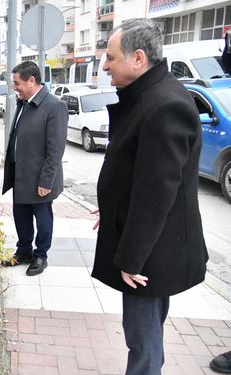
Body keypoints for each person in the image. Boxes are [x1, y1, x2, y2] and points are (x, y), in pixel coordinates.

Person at [91, 19, 208, 375]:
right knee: (144, 336)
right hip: (150, 245)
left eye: (110, 57)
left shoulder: (162, 105)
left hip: (151, 253)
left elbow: (157, 193)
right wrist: (111, 210)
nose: (104, 65)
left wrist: (132, 258)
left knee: (142, 343)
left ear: (138, 58)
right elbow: (137, 173)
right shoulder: (151, 95)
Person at [1, 60, 68, 276]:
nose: (15, 87)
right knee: (21, 217)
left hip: (39, 178)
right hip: (21, 175)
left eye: (17, 83)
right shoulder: (24, 103)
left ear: (32, 80)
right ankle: (24, 252)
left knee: (43, 218)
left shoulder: (54, 106)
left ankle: (41, 255)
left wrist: (46, 181)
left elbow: (55, 149)